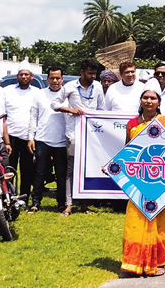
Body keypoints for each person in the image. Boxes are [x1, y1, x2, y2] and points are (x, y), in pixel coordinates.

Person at [120, 86, 165, 277]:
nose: (148, 101)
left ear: (159, 102)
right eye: (145, 98)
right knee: (134, 221)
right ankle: (133, 262)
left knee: (160, 224)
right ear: (141, 100)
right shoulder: (132, 124)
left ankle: (157, 262)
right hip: (139, 182)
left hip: (161, 182)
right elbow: (127, 152)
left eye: (152, 98)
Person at [51, 59, 105, 217]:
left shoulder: (98, 87)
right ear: (82, 72)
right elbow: (54, 104)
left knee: (87, 169)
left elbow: (101, 110)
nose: (93, 76)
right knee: (71, 170)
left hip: (91, 136)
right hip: (73, 135)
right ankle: (68, 205)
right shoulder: (69, 87)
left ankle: (84, 204)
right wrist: (70, 110)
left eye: (94, 73)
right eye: (90, 73)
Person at [28, 67, 68, 213]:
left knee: (61, 174)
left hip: (62, 141)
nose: (55, 81)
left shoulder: (68, 95)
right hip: (42, 139)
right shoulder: (40, 94)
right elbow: (33, 116)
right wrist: (30, 138)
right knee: (39, 172)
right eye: (52, 78)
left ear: (62, 79)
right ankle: (35, 203)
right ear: (47, 79)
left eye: (58, 78)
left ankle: (61, 203)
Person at [2, 60, 37, 204]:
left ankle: (24, 198)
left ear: (31, 76)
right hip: (10, 137)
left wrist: (32, 137)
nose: (24, 77)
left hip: (28, 137)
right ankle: (9, 197)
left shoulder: (37, 93)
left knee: (27, 169)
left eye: (26, 74)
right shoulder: (8, 91)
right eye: (21, 74)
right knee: (9, 169)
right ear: (17, 76)